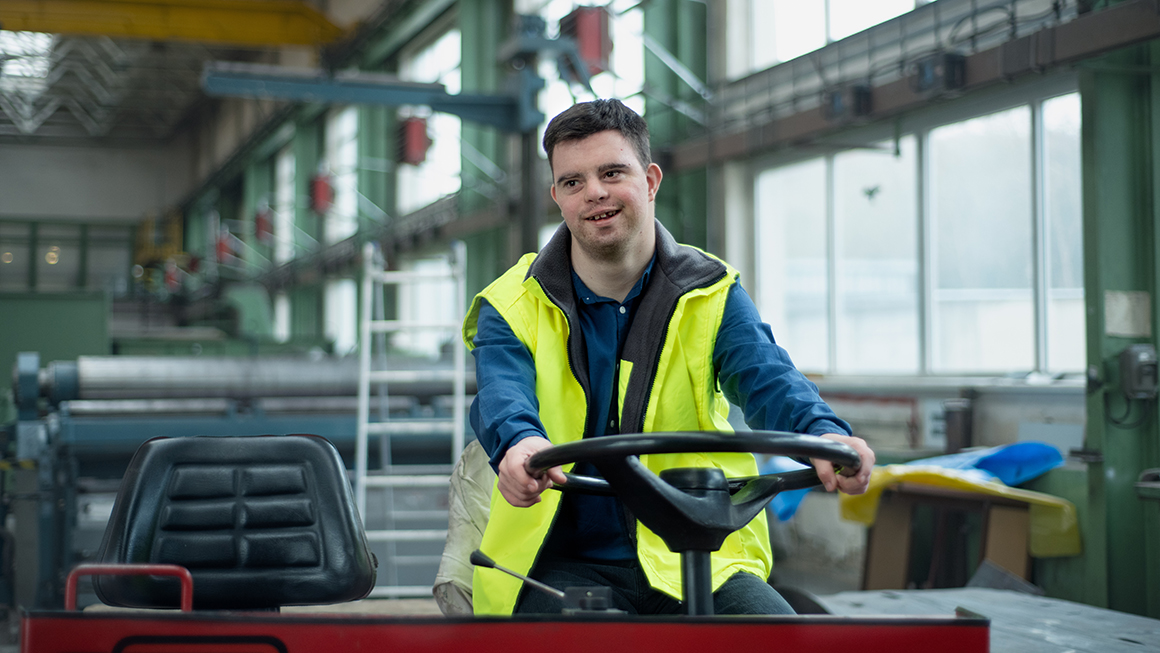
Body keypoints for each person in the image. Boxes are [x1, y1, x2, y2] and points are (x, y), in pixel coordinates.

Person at [460, 98, 875, 617]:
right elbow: (503, 392)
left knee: (779, 636)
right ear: (558, 197)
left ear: (651, 180)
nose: (594, 193)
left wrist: (824, 433)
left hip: (697, 552)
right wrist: (521, 442)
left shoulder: (711, 292)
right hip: (562, 559)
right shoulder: (511, 303)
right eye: (573, 182)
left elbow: (768, 378)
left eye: (612, 172)